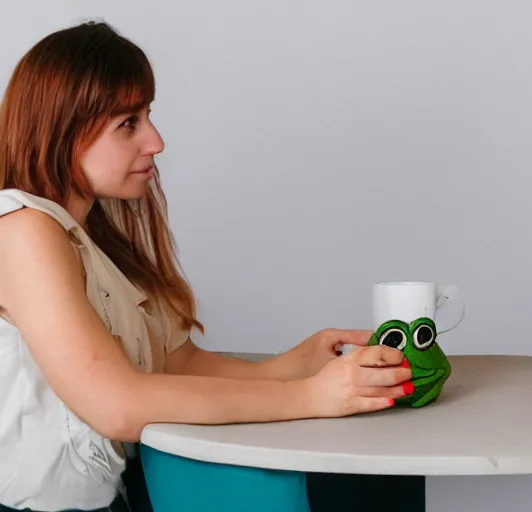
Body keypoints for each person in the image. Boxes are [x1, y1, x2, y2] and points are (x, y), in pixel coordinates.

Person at [0, 21, 414, 512]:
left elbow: (176, 362)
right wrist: (311, 397)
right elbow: (117, 406)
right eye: (127, 123)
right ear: (61, 131)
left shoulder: (90, 238)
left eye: (147, 115)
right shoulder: (23, 230)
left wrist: (293, 366)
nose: (155, 141)